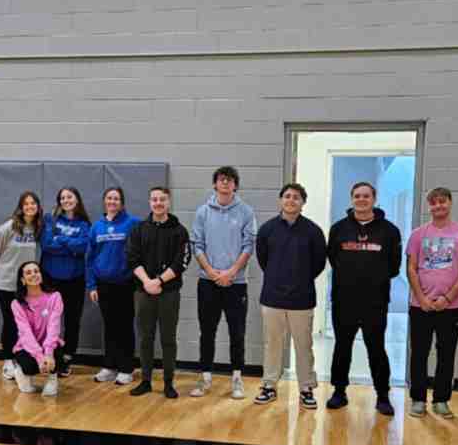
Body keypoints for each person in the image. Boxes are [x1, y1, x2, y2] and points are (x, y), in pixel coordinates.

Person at [325, 182, 402, 416]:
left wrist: (371, 280)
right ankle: (339, 392)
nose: (361, 199)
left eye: (366, 196)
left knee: (376, 348)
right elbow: (333, 259)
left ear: (374, 198)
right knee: (342, 347)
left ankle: (382, 395)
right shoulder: (338, 229)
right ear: (351, 199)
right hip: (344, 300)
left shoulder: (390, 231)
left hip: (375, 301)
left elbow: (394, 267)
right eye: (357, 196)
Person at [405, 187, 458, 418]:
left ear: (450, 203)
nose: (438, 206)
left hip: (451, 307)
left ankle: (441, 400)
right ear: (429, 206)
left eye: (442, 202)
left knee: (446, 354)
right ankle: (418, 399)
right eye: (434, 202)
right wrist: (422, 298)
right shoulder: (418, 234)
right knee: (418, 353)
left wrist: (447, 298)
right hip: (421, 306)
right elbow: (411, 268)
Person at [253, 182, 327, 408]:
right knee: (272, 343)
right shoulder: (267, 229)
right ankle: (269, 385)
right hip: (272, 298)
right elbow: (263, 259)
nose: (291, 200)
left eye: (296, 197)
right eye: (287, 196)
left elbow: (319, 263)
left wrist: (299, 280)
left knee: (303, 345)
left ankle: (306, 388)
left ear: (303, 203)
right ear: (280, 200)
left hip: (301, 299)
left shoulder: (313, 231)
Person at [189, 166, 256, 401]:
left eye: (229, 180)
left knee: (237, 333)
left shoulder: (246, 212)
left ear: (235, 185)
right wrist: (212, 272)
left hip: (236, 284)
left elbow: (249, 245)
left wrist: (231, 272)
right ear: (215, 184)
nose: (225, 183)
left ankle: (237, 378)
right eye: (221, 180)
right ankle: (205, 376)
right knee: (207, 331)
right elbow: (197, 245)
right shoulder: (202, 212)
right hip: (208, 283)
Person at [127, 187, 191, 399]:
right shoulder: (138, 229)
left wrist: (160, 280)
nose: (158, 203)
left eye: (162, 199)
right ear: (149, 202)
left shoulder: (179, 230)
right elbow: (132, 259)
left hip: (169, 292)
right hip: (143, 291)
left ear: (169, 202)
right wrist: (147, 282)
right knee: (146, 337)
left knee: (168, 339)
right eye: (154, 199)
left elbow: (182, 262)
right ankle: (145, 381)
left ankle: (168, 383)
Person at [86, 187, 139, 386]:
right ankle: (109, 366)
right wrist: (92, 285)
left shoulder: (132, 223)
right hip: (103, 285)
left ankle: (126, 368)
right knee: (109, 326)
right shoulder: (96, 227)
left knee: (125, 326)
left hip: (125, 284)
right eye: (109, 198)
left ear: (122, 202)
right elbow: (89, 258)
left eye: (116, 199)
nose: (112, 201)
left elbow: (140, 251)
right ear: (104, 202)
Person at [0, 191, 42, 382]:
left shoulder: (37, 228)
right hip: (5, 283)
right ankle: (7, 361)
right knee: (10, 320)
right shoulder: (9, 227)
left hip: (24, 284)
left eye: (33, 203)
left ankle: (22, 359)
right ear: (21, 207)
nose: (30, 207)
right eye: (26, 204)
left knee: (24, 323)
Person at [40, 187, 91, 376]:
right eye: (62, 197)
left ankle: (68, 358)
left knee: (72, 320)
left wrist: (60, 239)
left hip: (74, 280)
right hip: (51, 279)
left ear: (77, 200)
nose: (66, 200)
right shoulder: (50, 220)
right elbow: (46, 245)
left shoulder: (85, 224)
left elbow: (83, 246)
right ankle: (49, 356)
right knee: (49, 320)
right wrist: (70, 245)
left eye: (69, 196)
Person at [10, 261, 65, 397]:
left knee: (57, 356)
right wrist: (40, 358)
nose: (34, 274)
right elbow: (25, 333)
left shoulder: (55, 297)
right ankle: (21, 372)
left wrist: (48, 354)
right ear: (23, 280)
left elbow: (54, 327)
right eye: (28, 273)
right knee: (29, 367)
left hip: (49, 344)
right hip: (28, 346)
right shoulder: (17, 304)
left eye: (36, 271)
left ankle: (52, 379)